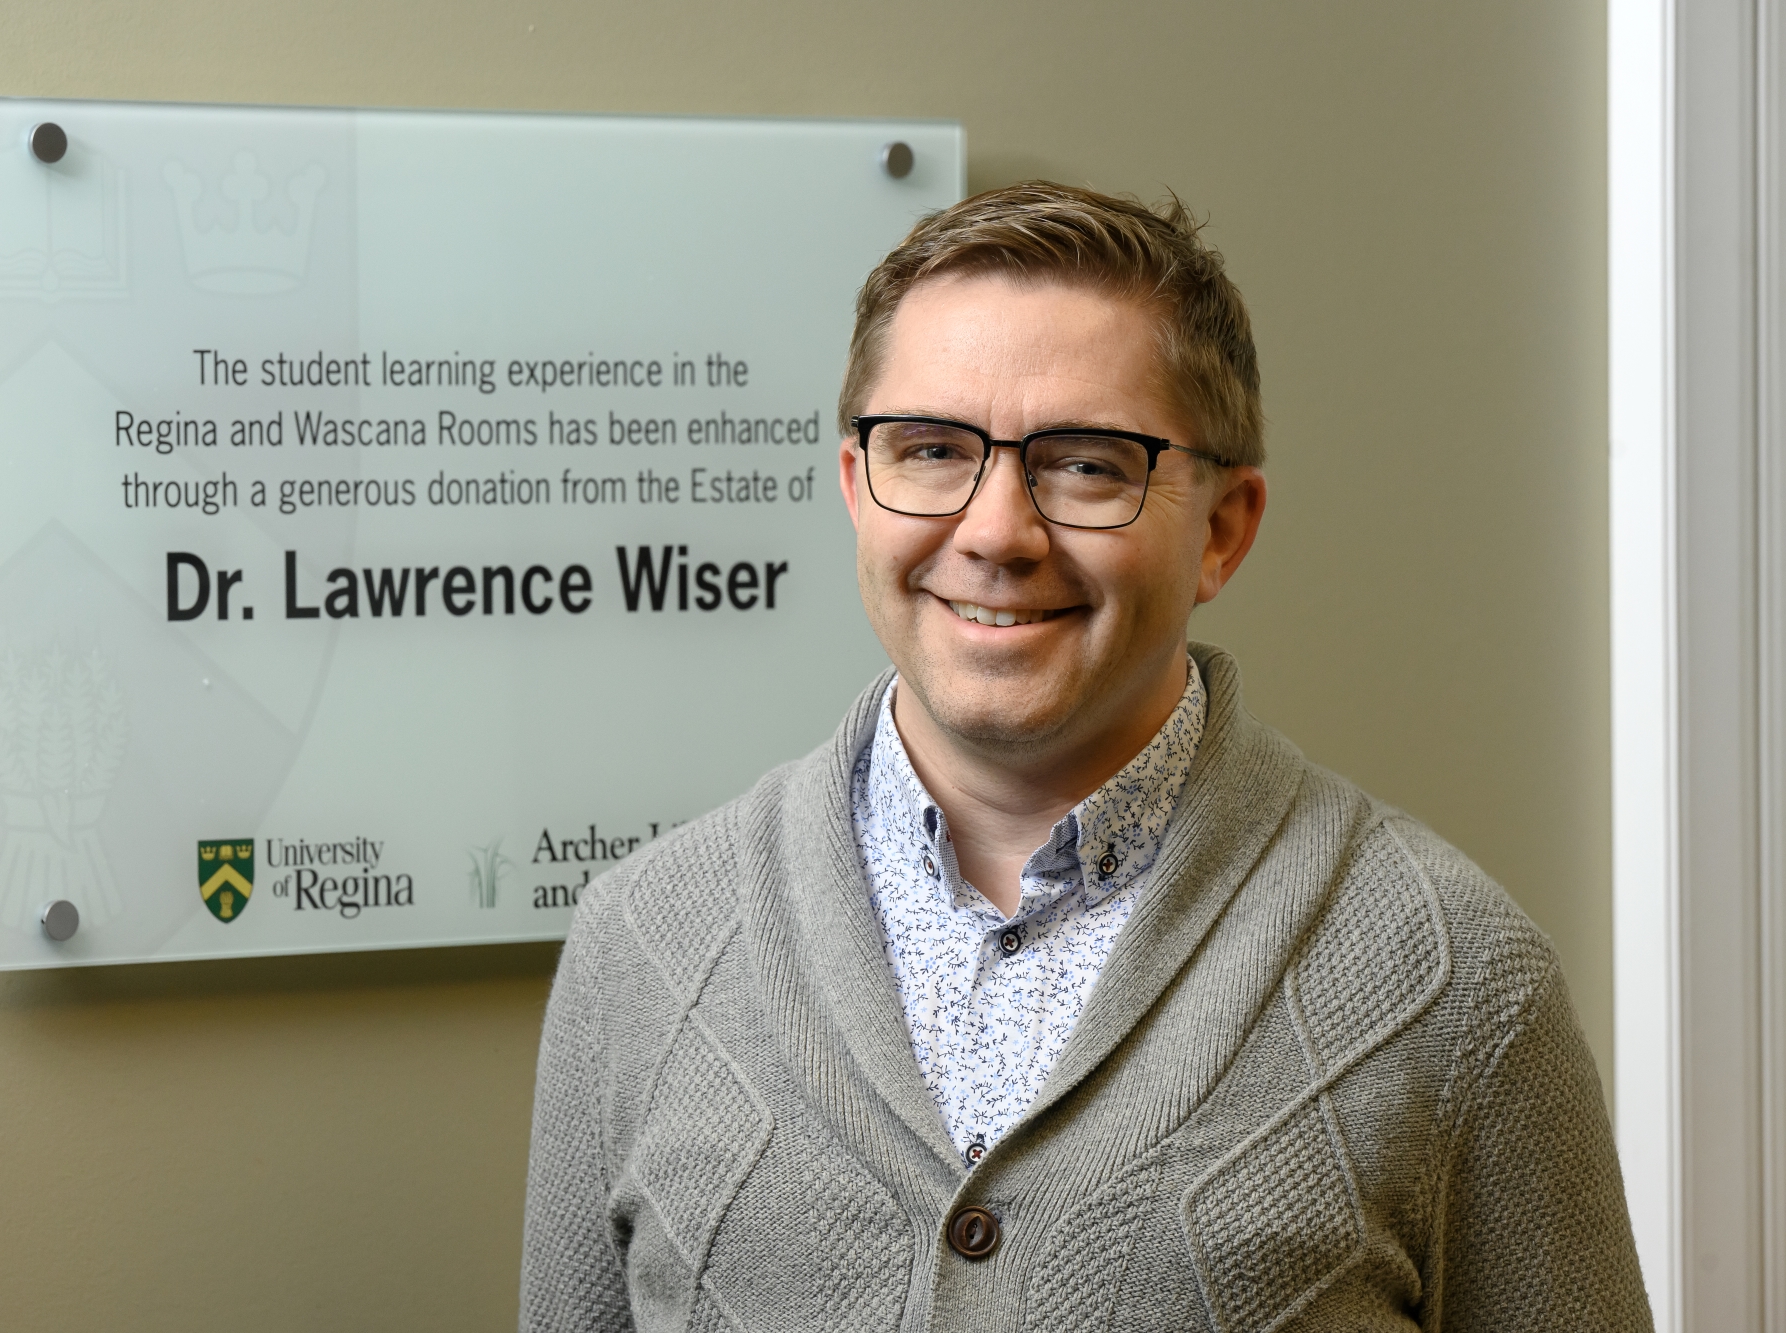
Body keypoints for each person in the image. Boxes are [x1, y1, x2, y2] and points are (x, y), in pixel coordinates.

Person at [520, 182, 1649, 1332]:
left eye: (1086, 465)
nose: (996, 532)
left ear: (1221, 528)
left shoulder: (1452, 977)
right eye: (929, 449)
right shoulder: (646, 943)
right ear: (857, 485)